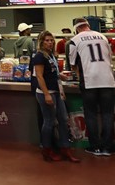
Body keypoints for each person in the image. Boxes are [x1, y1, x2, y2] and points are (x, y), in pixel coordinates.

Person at [68, 18, 115, 156]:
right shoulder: (102, 37)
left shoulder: (75, 40)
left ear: (76, 28)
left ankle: (95, 147)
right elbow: (109, 57)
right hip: (107, 80)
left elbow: (73, 64)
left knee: (91, 115)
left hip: (89, 81)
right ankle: (107, 148)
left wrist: (78, 76)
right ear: (88, 26)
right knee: (108, 114)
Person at [32, 30, 79, 163]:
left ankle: (65, 148)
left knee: (63, 119)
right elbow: (40, 76)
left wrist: (60, 76)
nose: (50, 43)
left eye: (51, 40)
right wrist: (46, 94)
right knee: (49, 122)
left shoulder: (51, 55)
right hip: (46, 93)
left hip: (56, 92)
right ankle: (47, 149)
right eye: (46, 40)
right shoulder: (39, 56)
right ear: (41, 42)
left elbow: (51, 72)